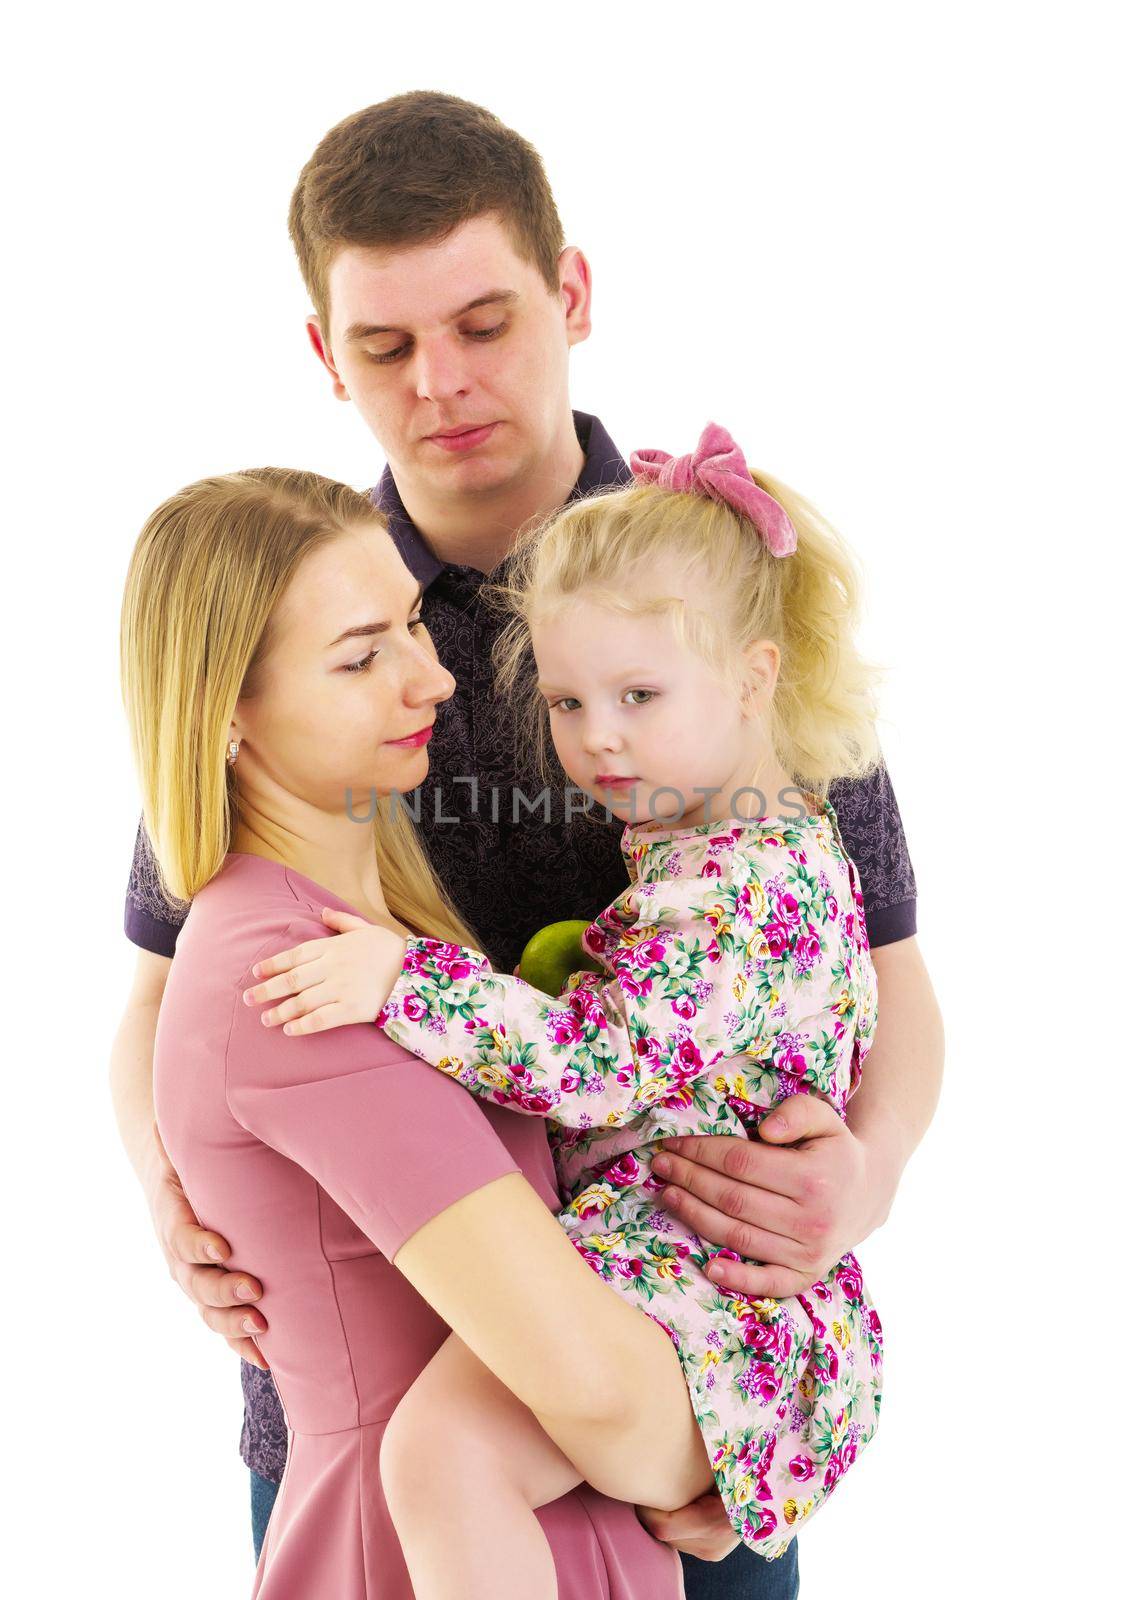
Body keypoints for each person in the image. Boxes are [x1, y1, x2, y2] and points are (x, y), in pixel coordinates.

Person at [109, 92, 943, 1597]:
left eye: (484, 320)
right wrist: (172, 1195)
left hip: (671, 1334)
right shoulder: (308, 616)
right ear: (324, 356)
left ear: (569, 293)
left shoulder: (715, 587)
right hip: (381, 1400)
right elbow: (174, 987)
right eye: (383, 347)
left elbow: (889, 975)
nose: (441, 383)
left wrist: (858, 1177)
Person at [242, 425, 885, 1596]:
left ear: (757, 673)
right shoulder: (763, 835)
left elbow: (597, 1061)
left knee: (441, 1456)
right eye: (569, 700)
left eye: (640, 694)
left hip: (697, 1288)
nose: (598, 738)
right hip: (690, 1287)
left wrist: (404, 978)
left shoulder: (726, 890)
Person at [121, 465, 696, 1598]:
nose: (430, 678)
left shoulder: (368, 939)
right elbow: (593, 1387)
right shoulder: (293, 985)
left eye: (413, 627)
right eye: (360, 655)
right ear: (226, 711)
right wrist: (743, 1450)